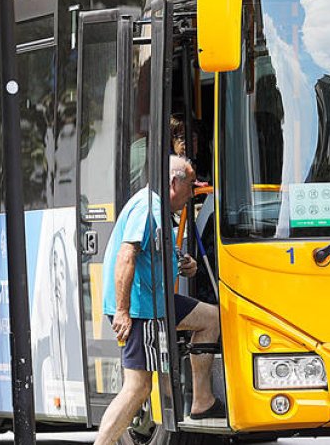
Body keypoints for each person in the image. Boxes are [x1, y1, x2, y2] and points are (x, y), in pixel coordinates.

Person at [95, 156, 223, 445]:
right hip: (140, 308)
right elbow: (127, 256)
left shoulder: (158, 209)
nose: (192, 195)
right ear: (172, 183)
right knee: (137, 387)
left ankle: (202, 400)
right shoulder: (147, 208)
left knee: (210, 319)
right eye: (190, 186)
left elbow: (154, 252)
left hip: (157, 302)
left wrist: (183, 261)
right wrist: (123, 311)